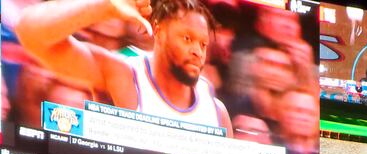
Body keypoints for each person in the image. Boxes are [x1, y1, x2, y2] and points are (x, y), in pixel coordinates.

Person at [15, 0, 234, 135]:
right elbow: (30, 33)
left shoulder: (217, 113)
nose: (197, 51)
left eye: (203, 43)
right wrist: (104, 7)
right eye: (187, 38)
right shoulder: (124, 77)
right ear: (159, 32)